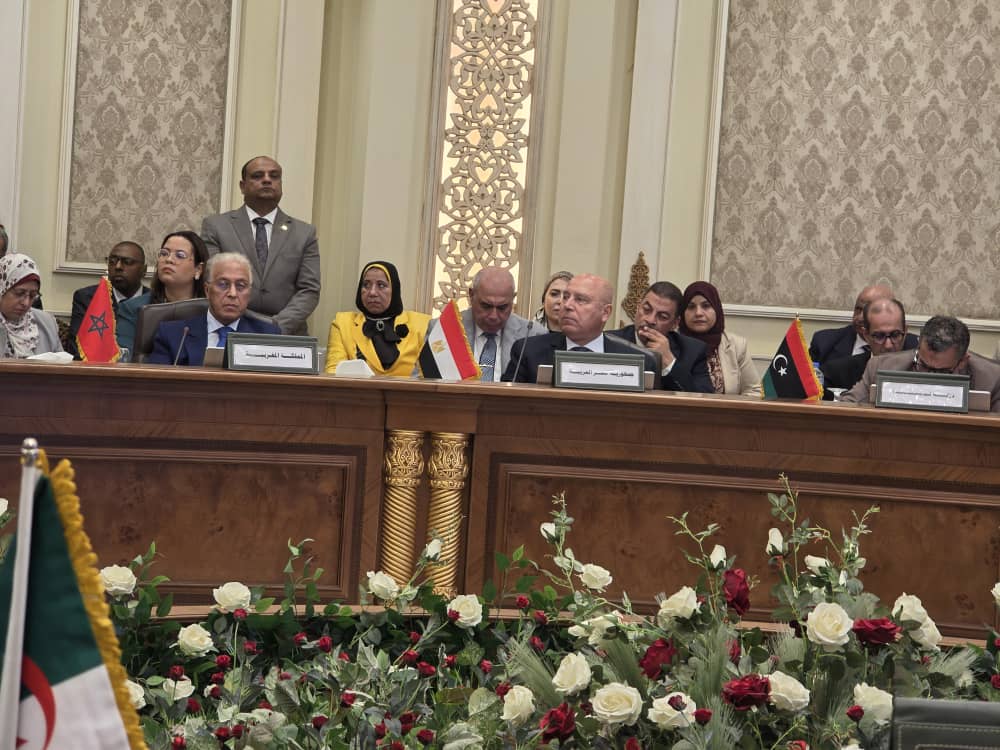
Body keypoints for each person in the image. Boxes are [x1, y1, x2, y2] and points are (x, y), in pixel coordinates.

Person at [201, 155, 320, 335]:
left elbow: (309, 289)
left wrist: (275, 328)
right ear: (242, 186)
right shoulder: (217, 226)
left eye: (274, 176)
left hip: (286, 333)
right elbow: (213, 281)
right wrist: (248, 326)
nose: (267, 180)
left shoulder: (304, 233)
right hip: (231, 329)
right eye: (258, 176)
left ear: (281, 184)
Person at [502, 273, 658, 383]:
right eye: (566, 297)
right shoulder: (528, 351)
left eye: (581, 300)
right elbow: (508, 405)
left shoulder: (639, 361)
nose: (567, 305)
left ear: (605, 312)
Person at [841, 315, 1000, 411]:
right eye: (923, 365)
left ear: (963, 361)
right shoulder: (881, 366)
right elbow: (847, 407)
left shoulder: (993, 379)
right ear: (918, 347)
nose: (930, 377)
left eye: (941, 372)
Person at [147, 252, 280, 366]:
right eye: (223, 284)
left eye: (240, 286)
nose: (232, 293)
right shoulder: (173, 334)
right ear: (207, 290)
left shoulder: (267, 336)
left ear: (249, 293)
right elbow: (156, 384)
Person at [426, 267, 543, 381]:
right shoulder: (444, 330)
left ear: (513, 299)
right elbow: (423, 382)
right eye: (486, 306)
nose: (493, 316)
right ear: (471, 295)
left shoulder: (532, 335)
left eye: (502, 307)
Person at [605, 281, 714, 393]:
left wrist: (669, 363)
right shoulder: (608, 341)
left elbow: (705, 397)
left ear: (675, 323)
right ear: (638, 307)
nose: (650, 320)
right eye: (646, 309)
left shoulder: (693, 351)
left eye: (662, 316)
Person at [325, 261, 430, 376]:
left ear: (394, 290)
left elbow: (428, 376)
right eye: (366, 285)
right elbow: (334, 373)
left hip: (408, 388)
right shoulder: (342, 323)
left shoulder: (423, 325)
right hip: (357, 388)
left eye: (381, 285)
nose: (372, 292)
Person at [117, 231, 208, 358]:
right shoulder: (132, 309)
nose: (169, 259)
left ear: (198, 269)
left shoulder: (211, 311)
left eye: (180, 255)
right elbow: (124, 360)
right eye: (164, 253)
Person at [65, 241, 148, 359]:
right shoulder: (87, 298)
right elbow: (77, 348)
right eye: (112, 261)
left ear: (144, 270)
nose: (118, 267)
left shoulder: (155, 301)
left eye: (127, 262)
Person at [679, 281, 760, 396]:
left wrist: (731, 407)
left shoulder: (736, 345)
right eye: (691, 307)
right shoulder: (672, 343)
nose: (698, 313)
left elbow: (754, 390)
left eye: (706, 306)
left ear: (716, 309)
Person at [821, 297, 914, 395]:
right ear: (866, 335)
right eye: (879, 336)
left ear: (905, 331)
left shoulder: (920, 369)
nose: (888, 345)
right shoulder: (837, 372)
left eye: (895, 335)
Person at [809, 284, 918, 366]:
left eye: (870, 310)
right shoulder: (824, 343)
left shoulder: (916, 348)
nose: (860, 317)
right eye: (858, 309)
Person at [0, 253, 63, 358]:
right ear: (2, 290)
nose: (26, 303)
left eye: (33, 295)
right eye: (19, 293)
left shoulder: (47, 323)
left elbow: (61, 364)